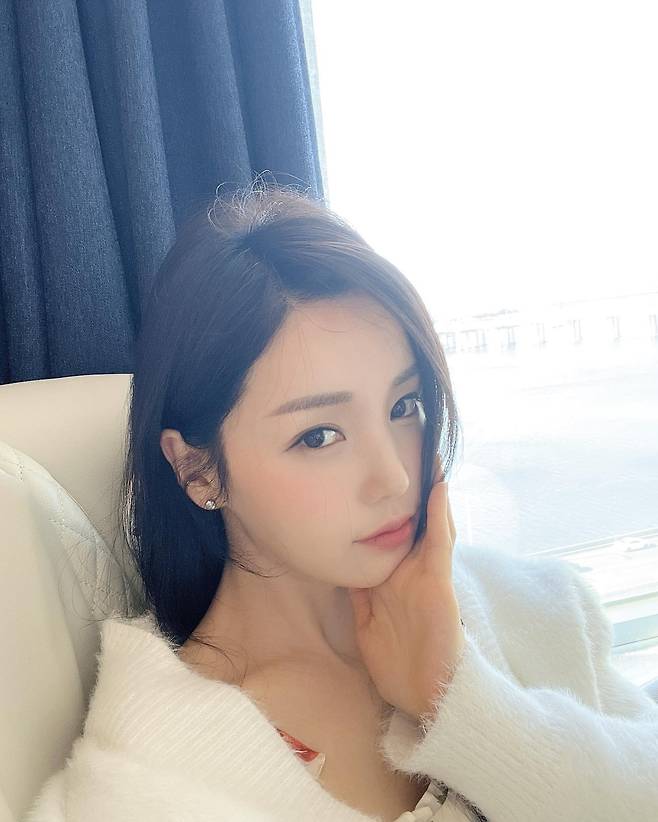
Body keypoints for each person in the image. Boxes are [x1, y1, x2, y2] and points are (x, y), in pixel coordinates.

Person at [25, 179, 658, 822]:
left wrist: (462, 703)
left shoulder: (526, 607)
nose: (394, 478)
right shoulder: (148, 783)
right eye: (319, 435)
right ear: (198, 470)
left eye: (404, 406)